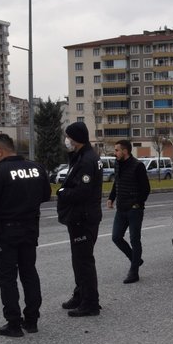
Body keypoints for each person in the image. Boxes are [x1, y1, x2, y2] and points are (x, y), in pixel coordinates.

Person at [0, 134, 51, 337]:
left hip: (6, 232)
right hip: (30, 229)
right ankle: (32, 321)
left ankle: (13, 323)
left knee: (8, 278)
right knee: (29, 273)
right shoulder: (36, 168)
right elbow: (46, 195)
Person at [57, 122, 104, 317]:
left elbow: (83, 192)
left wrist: (62, 192)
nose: (66, 140)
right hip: (81, 216)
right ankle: (80, 295)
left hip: (83, 217)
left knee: (84, 261)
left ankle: (90, 303)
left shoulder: (86, 160)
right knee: (79, 260)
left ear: (75, 138)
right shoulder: (82, 157)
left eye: (68, 136)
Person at [107, 139, 151, 284]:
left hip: (134, 210)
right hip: (121, 209)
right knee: (116, 237)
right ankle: (135, 259)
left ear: (125, 151)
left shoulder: (137, 166)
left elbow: (146, 189)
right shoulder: (118, 164)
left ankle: (134, 272)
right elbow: (117, 182)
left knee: (134, 239)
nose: (115, 153)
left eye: (117, 150)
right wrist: (111, 198)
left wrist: (137, 204)